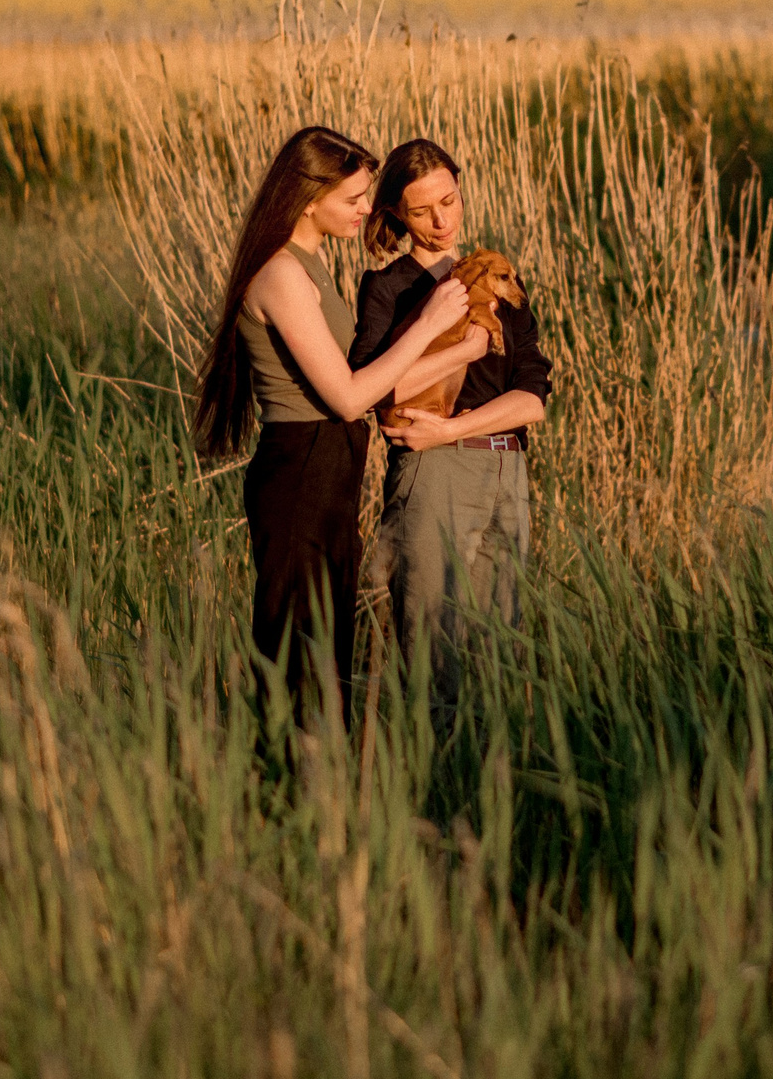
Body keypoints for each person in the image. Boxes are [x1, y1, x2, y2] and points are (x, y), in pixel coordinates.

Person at [190, 126, 485, 704]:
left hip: (330, 472)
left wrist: (460, 350)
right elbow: (349, 397)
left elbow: (369, 386)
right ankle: (283, 783)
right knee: (300, 659)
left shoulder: (313, 264)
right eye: (352, 200)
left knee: (328, 656)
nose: (369, 209)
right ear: (306, 200)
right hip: (302, 469)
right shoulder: (282, 275)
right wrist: (427, 325)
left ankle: (322, 787)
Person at [351, 138, 553, 657]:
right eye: (421, 211)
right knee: (432, 654)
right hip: (435, 472)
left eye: (450, 201)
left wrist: (452, 427)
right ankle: (418, 739)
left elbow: (532, 400)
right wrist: (462, 344)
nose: (442, 222)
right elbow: (375, 391)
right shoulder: (390, 287)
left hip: (506, 470)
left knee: (501, 657)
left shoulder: (500, 277)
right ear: (395, 212)